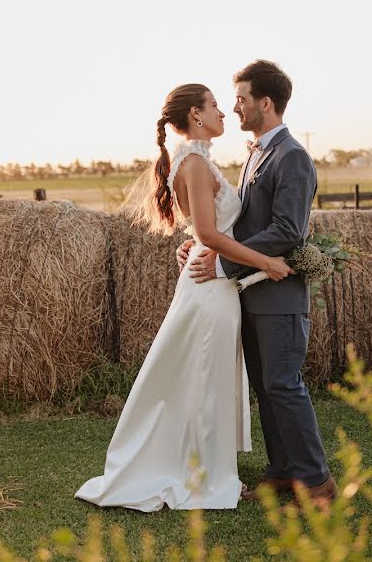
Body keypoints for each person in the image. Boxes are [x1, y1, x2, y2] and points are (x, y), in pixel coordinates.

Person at [75, 83, 292, 512]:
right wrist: (266, 263)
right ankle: (204, 474)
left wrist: (197, 243)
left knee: (204, 373)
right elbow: (209, 232)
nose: (224, 112)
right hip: (210, 286)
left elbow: (204, 233)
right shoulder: (192, 161)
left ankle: (207, 462)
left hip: (216, 280)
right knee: (205, 375)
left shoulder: (197, 159)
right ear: (195, 114)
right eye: (214, 105)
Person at [180, 60, 335, 506]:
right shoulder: (256, 153)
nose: (235, 107)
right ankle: (284, 470)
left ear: (265, 103)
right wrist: (200, 247)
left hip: (279, 296)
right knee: (267, 388)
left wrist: (224, 263)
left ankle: (318, 481)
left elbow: (288, 231)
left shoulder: (293, 157)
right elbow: (241, 223)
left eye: (242, 99)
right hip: (253, 293)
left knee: (284, 385)